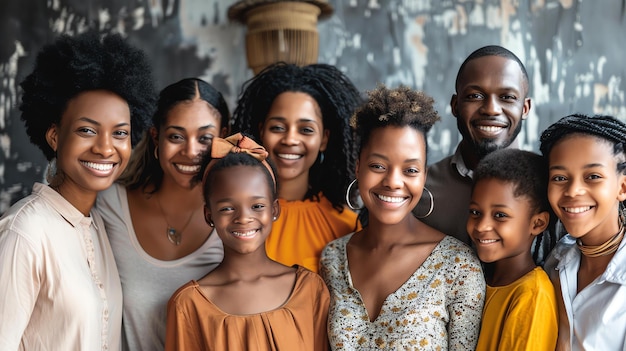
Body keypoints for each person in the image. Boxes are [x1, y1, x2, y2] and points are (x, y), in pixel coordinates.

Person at [0, 31, 155, 350]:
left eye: (120, 133)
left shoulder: (98, 226)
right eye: (87, 130)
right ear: (55, 136)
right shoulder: (24, 232)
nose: (105, 148)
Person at [321, 85, 485, 350]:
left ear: (423, 175)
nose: (393, 182)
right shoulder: (332, 258)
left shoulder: (458, 267)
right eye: (378, 166)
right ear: (358, 168)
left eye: (410, 169)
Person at [96, 77, 229, 350]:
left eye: (204, 138)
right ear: (156, 136)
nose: (191, 151)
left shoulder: (236, 219)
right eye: (176, 136)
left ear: (223, 137)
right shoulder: (111, 205)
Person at [165, 133, 330, 351]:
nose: (243, 218)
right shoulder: (189, 305)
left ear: (274, 210)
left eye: (257, 206)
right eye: (227, 208)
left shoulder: (310, 289)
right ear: (209, 215)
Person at [232, 62, 363, 273]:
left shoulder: (348, 228)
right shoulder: (234, 219)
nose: (290, 139)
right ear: (261, 131)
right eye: (278, 127)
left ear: (324, 139)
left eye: (306, 129)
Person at [414, 45, 531, 244]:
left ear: (525, 108)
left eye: (507, 97)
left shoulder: (549, 188)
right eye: (475, 96)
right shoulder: (419, 189)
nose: (491, 110)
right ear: (455, 105)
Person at [540, 114, 626, 350]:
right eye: (560, 177)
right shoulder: (555, 260)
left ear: (622, 187)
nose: (573, 190)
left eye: (593, 177)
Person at [467, 148, 558, 350]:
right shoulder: (476, 278)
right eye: (475, 212)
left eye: (500, 215)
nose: (481, 226)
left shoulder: (532, 295)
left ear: (537, 223)